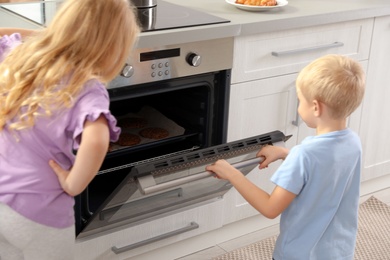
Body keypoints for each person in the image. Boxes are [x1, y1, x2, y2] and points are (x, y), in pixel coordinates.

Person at [0, 0, 140, 259]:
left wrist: (50, 39)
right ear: (112, 49)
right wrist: (73, 183)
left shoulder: (20, 57)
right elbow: (97, 140)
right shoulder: (86, 86)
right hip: (41, 215)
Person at [206, 54, 365, 260]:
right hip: (339, 252)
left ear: (316, 107)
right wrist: (284, 153)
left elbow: (270, 208)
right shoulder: (353, 142)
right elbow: (324, 169)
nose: (298, 107)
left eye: (301, 101)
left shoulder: (304, 155)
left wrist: (232, 173)